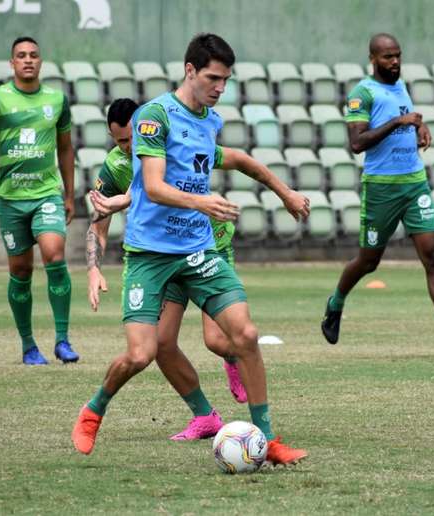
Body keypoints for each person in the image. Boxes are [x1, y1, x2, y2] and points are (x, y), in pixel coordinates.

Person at [72, 33, 310, 464]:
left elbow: (236, 159)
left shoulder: (209, 121)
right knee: (142, 354)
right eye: (213, 78)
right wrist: (203, 202)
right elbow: (155, 186)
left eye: (226, 80)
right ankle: (94, 409)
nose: (220, 88)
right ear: (189, 71)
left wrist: (285, 192)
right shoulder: (154, 116)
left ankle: (268, 439)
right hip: (150, 255)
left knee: (246, 335)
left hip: (198, 250)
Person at [85, 98, 249, 442]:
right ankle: (205, 416)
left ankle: (233, 358)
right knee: (159, 343)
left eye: (132, 139)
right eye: (121, 142)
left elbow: (156, 184)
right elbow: (99, 220)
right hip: (162, 255)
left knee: (218, 341)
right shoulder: (116, 166)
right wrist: (94, 269)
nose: (130, 148)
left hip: (209, 245)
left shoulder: (171, 137)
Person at [321, 33, 434, 354]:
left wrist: (418, 127)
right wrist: (398, 122)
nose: (394, 62)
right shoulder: (362, 93)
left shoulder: (401, 86)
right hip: (381, 188)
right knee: (368, 262)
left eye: (397, 55)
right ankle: (335, 303)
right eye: (387, 57)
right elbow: (357, 143)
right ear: (372, 59)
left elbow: (404, 118)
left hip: (414, 183)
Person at [0, 36, 79, 365]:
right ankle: (28, 346)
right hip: (11, 200)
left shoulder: (57, 100)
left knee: (54, 255)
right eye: (21, 56)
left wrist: (69, 194)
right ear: (12, 63)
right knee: (22, 270)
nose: (28, 60)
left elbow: (66, 148)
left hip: (46, 194)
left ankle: (63, 340)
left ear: (41, 62)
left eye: (33, 55)